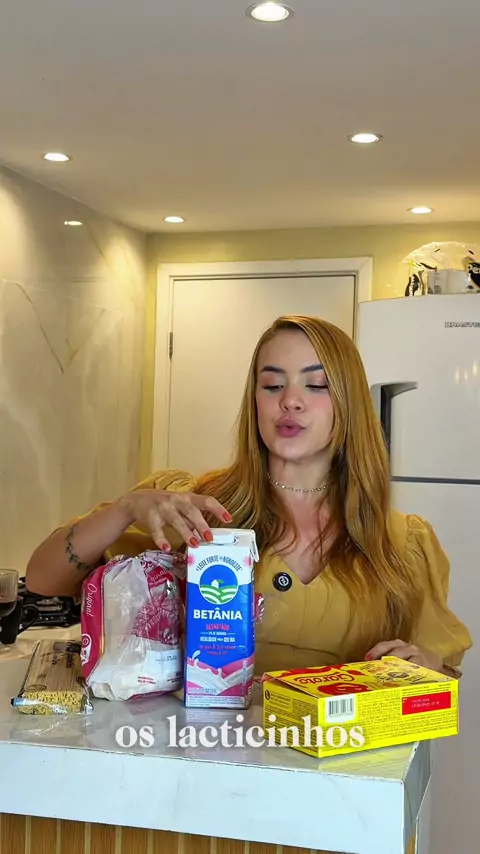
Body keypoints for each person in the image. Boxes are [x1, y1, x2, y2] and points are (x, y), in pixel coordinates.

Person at [26, 315, 472, 677]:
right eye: (272, 385)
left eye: (316, 385)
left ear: (348, 403)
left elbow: (442, 673)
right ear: (255, 400)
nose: (290, 401)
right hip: (201, 751)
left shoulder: (400, 541)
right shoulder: (192, 507)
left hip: (342, 756)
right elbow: (43, 579)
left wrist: (427, 664)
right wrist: (125, 508)